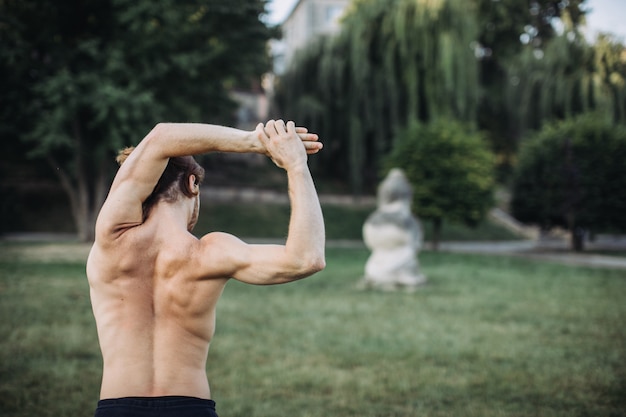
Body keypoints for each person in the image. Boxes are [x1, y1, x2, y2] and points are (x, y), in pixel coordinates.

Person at [86, 120, 326, 417]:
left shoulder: (113, 239)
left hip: (117, 408)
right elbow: (307, 258)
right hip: (190, 408)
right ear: (192, 184)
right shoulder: (209, 252)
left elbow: (161, 138)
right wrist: (296, 166)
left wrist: (255, 141)